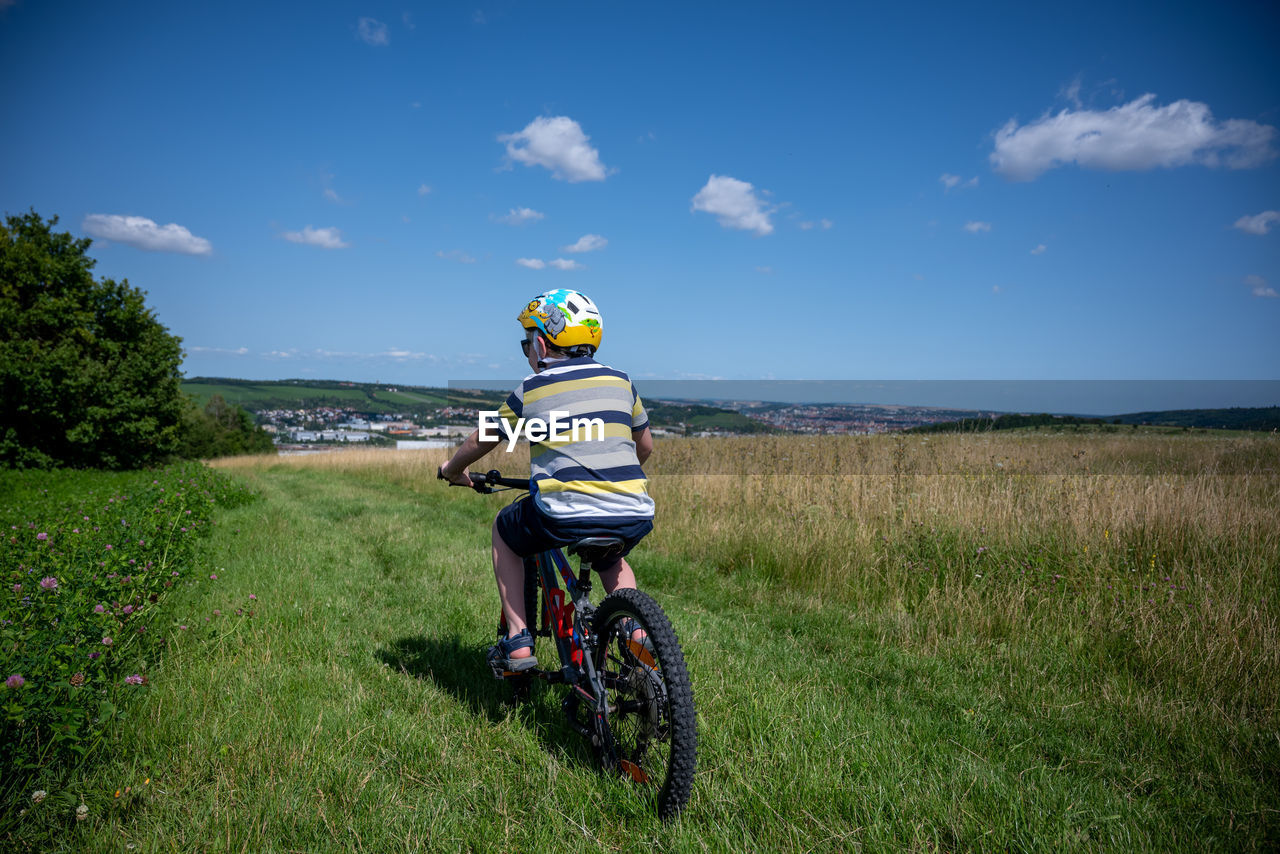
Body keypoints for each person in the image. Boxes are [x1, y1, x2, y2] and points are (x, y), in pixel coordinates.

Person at [437, 289, 655, 674]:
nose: (528, 352)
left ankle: (519, 640)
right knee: (612, 559)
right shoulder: (623, 383)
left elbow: (483, 438)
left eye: (526, 344)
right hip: (632, 509)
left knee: (505, 530)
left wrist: (454, 470)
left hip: (563, 511)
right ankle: (638, 636)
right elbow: (646, 447)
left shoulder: (534, 388)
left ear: (540, 343)